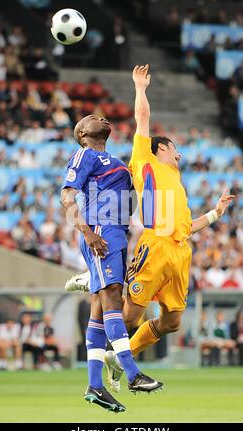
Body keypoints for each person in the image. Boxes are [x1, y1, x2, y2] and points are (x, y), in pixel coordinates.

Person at [65, 65, 235, 392]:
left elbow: (185, 227)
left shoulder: (177, 183)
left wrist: (214, 213)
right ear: (161, 149)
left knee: (171, 322)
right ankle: (92, 280)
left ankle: (119, 357)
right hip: (154, 246)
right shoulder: (145, 162)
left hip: (179, 250)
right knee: (127, 317)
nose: (180, 154)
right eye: (174, 149)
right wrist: (140, 88)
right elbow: (142, 118)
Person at [60, 113, 162, 413]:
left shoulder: (115, 161)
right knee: (113, 299)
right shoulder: (85, 154)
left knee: (99, 307)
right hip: (100, 230)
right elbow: (67, 197)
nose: (100, 117)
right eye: (90, 118)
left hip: (117, 231)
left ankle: (95, 384)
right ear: (82, 133)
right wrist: (88, 232)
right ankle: (132, 374)